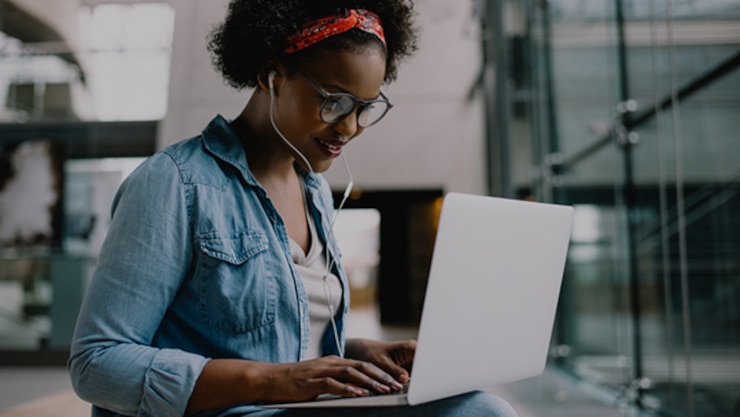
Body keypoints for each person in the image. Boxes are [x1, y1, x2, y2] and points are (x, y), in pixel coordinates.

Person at [68, 1, 519, 416]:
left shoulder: (314, 192)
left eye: (365, 108)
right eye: (334, 101)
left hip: (299, 410)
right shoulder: (173, 184)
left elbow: (286, 339)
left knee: (480, 410)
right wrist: (272, 380)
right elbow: (97, 362)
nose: (350, 127)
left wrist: (357, 355)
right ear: (272, 74)